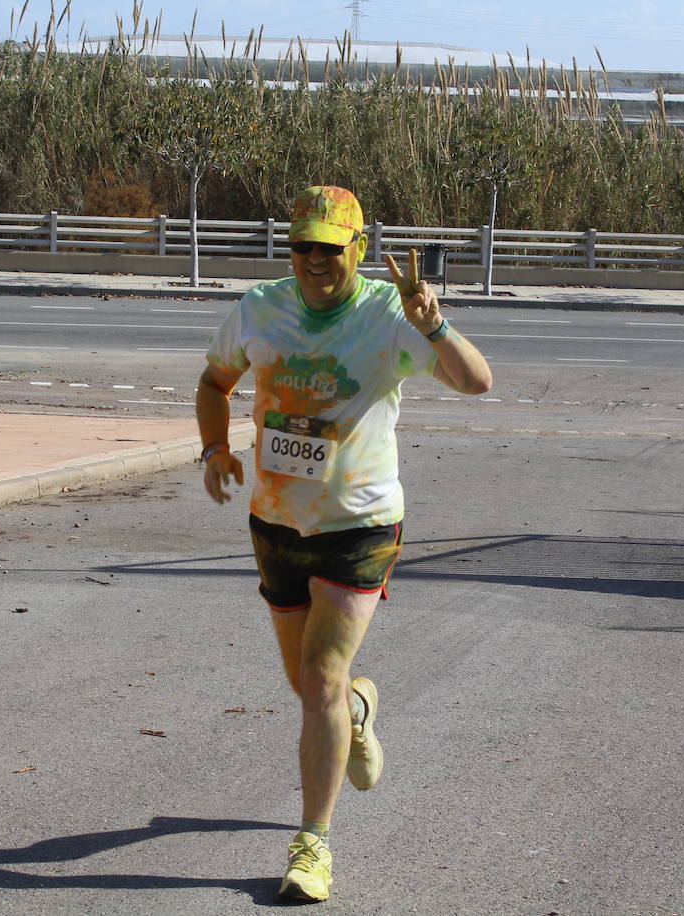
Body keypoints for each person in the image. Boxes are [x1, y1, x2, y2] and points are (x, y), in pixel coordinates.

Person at [194, 186, 493, 903]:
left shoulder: (390, 315)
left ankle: (312, 844)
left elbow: (476, 382)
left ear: (357, 249)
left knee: (320, 679)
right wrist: (213, 449)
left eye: (332, 247)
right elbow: (213, 380)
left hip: (360, 525)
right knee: (311, 687)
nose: (315, 260)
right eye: (304, 246)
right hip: (276, 522)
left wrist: (436, 323)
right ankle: (357, 712)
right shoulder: (260, 307)